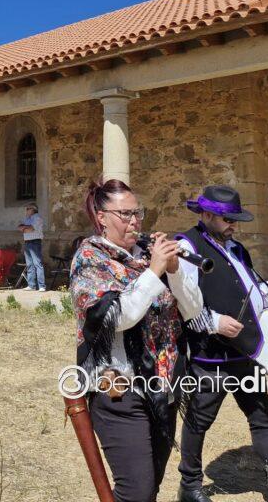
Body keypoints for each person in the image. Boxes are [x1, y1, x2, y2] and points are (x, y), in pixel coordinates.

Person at [174, 185, 268, 502]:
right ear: (206, 214)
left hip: (246, 352)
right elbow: (182, 303)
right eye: (228, 220)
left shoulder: (237, 249)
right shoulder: (187, 247)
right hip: (211, 356)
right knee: (199, 421)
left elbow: (254, 294)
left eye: (235, 220)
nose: (233, 226)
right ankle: (190, 486)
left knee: (263, 418)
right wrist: (215, 323)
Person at [71, 179, 203, 502]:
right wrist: (154, 271)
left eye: (138, 213)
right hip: (118, 389)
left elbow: (194, 310)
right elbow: (117, 317)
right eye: (125, 214)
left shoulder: (146, 255)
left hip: (163, 388)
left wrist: (174, 270)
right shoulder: (89, 258)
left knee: (151, 486)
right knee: (137, 491)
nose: (135, 221)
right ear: (102, 217)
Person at [17, 202, 46, 291]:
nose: (26, 210)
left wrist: (25, 228)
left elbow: (31, 228)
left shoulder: (37, 218)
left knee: (37, 263)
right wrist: (25, 228)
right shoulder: (27, 219)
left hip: (34, 242)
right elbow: (19, 227)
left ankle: (42, 286)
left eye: (28, 209)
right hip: (27, 242)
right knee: (29, 264)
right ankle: (31, 285)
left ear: (33, 209)